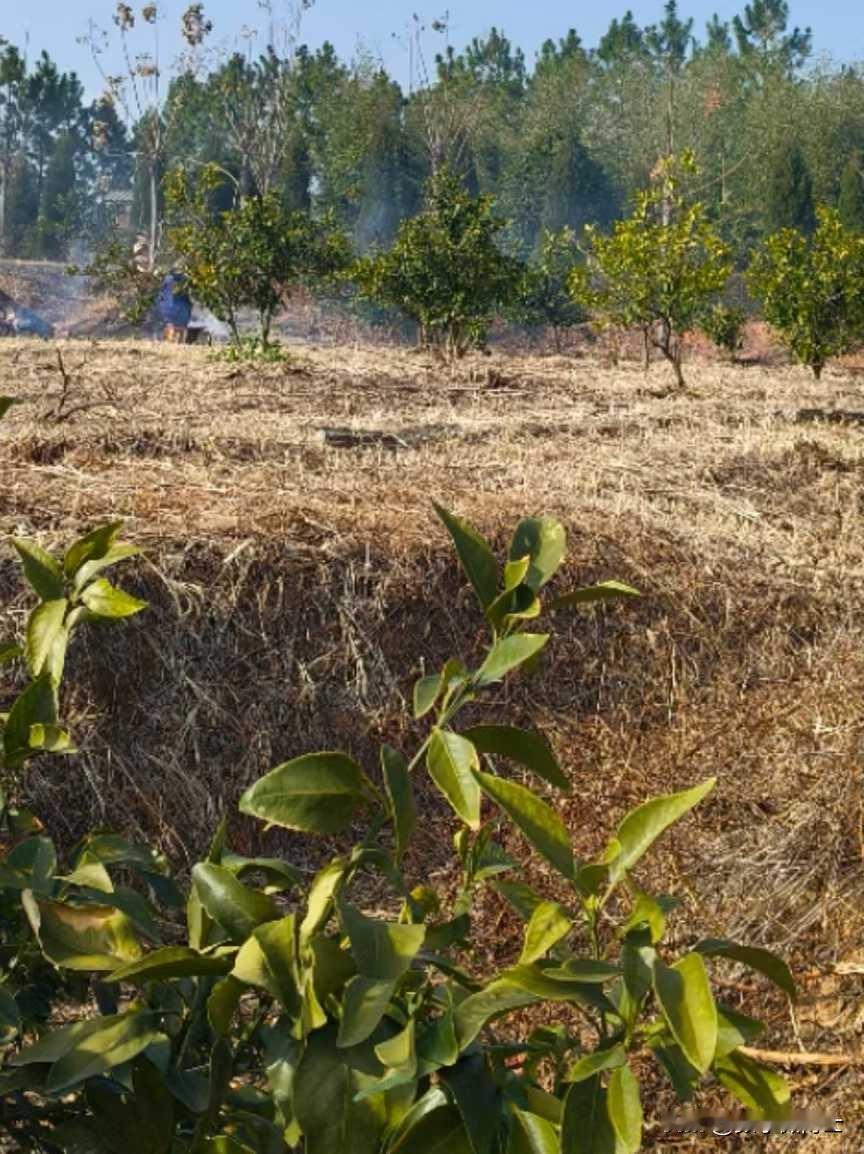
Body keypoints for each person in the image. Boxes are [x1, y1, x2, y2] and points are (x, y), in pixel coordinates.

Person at [157, 268, 193, 343]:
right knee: (179, 327)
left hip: (174, 308)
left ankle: (174, 344)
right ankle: (176, 344)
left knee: (176, 327)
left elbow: (162, 296)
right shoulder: (185, 279)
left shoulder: (168, 279)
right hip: (179, 309)